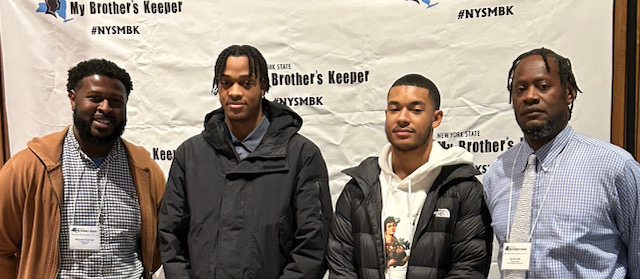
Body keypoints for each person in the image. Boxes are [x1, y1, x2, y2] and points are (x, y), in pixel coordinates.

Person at [159, 44, 332, 278]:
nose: (235, 92)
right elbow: (170, 239)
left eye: (246, 83)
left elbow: (312, 247)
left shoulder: (302, 155)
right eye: (226, 83)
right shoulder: (190, 155)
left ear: (263, 87)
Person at [0, 58, 165, 279]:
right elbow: (2, 247)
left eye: (116, 101)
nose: (105, 108)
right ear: (73, 99)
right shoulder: (30, 166)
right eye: (95, 98)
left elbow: (158, 247)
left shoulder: (144, 170)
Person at [483, 47, 640, 278]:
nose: (530, 96)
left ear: (569, 92)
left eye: (543, 86)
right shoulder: (498, 173)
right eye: (520, 89)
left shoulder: (614, 167)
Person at [327, 74, 493, 279]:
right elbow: (341, 268)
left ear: (436, 118)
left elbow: (469, 269)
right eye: (394, 109)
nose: (402, 118)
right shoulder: (359, 187)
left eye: (416, 110)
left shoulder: (463, 188)